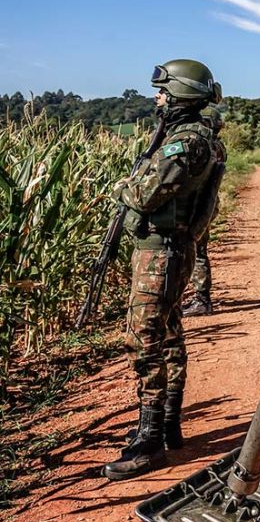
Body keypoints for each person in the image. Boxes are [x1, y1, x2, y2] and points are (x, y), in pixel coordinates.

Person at [103, 59, 222, 481]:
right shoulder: (189, 136)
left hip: (162, 251)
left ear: (181, 95)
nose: (158, 98)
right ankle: (169, 423)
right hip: (170, 249)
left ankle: (149, 439)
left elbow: (145, 193)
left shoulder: (186, 143)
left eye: (164, 92)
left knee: (145, 338)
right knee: (169, 333)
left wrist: (121, 185)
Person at [181, 104, 227, 317]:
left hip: (197, 206)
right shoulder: (218, 146)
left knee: (196, 251)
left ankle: (201, 299)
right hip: (207, 204)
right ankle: (200, 297)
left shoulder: (205, 145)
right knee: (199, 250)